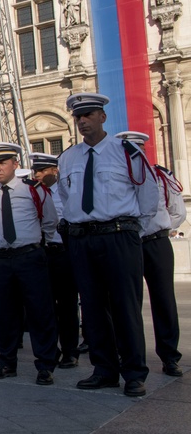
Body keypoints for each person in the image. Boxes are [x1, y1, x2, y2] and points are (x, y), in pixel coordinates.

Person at [58, 93, 159, 397]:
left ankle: (134, 373)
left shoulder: (126, 151)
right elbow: (65, 197)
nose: (83, 121)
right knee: (92, 307)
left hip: (118, 235)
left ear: (103, 117)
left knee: (125, 306)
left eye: (88, 115)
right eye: (78, 117)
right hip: (83, 238)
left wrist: (130, 231)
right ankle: (104, 370)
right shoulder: (69, 157)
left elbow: (148, 197)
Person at [0, 143, 60, 386]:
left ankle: (45, 365)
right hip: (0, 259)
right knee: (5, 314)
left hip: (29, 257)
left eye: (2, 163)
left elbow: (50, 220)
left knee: (39, 312)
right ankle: (6, 362)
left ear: (16, 164)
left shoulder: (33, 189)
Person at [115, 131, 186, 377]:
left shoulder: (160, 175)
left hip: (156, 243)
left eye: (139, 150)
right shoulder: (117, 178)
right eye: (129, 151)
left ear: (145, 151)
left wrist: (158, 228)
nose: (135, 156)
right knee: (127, 303)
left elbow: (177, 212)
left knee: (164, 300)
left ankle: (170, 357)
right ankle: (131, 357)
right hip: (126, 243)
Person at [31, 152, 81, 368]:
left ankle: (70, 350)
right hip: (42, 254)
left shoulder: (65, 192)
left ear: (54, 171)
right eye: (36, 171)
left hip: (62, 253)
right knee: (44, 306)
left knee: (67, 305)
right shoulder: (31, 193)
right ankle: (51, 350)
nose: (38, 175)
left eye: (42, 171)